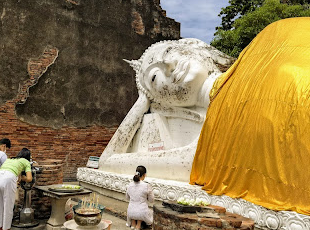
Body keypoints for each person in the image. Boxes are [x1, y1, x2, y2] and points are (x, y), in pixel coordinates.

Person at [98, 39, 234, 182]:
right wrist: (143, 102)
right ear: (161, 103)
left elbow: (108, 160)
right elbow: (107, 161)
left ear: (195, 47)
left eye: (169, 51)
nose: (168, 65)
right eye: (155, 77)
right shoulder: (208, 138)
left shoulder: (251, 61)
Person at [0, 148, 32, 230]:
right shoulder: (26, 162)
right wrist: (23, 178)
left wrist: (18, 177)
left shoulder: (10, 159)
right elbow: (29, 178)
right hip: (8, 179)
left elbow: (13, 172)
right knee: (8, 206)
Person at [125, 166, 154, 230]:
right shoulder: (146, 186)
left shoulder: (130, 185)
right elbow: (151, 200)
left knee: (135, 207)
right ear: (144, 175)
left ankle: (133, 223)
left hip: (130, 212)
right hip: (142, 213)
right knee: (148, 212)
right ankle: (138, 224)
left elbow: (127, 198)